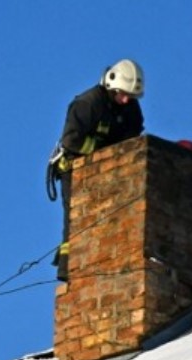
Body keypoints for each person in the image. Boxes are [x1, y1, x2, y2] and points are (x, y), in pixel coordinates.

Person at [47, 59, 145, 281]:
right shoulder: (88, 104)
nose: (126, 99)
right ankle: (68, 268)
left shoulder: (131, 108)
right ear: (111, 86)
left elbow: (133, 139)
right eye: (122, 94)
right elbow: (71, 140)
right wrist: (102, 152)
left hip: (111, 170)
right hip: (74, 168)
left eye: (131, 96)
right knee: (75, 219)